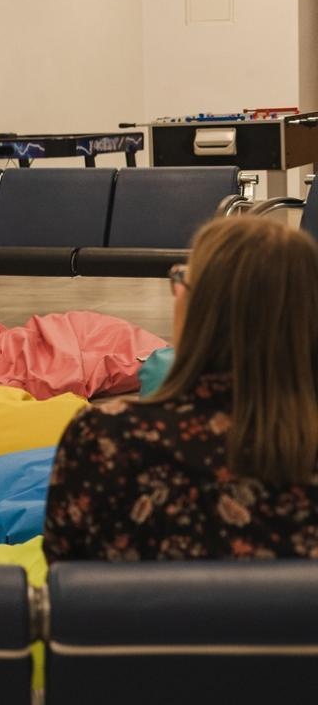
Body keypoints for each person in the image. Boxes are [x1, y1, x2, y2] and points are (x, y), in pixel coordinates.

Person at [44, 217, 318, 562]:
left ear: (201, 310)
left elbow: (63, 575)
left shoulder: (104, 439)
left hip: (142, 616)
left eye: (182, 280)